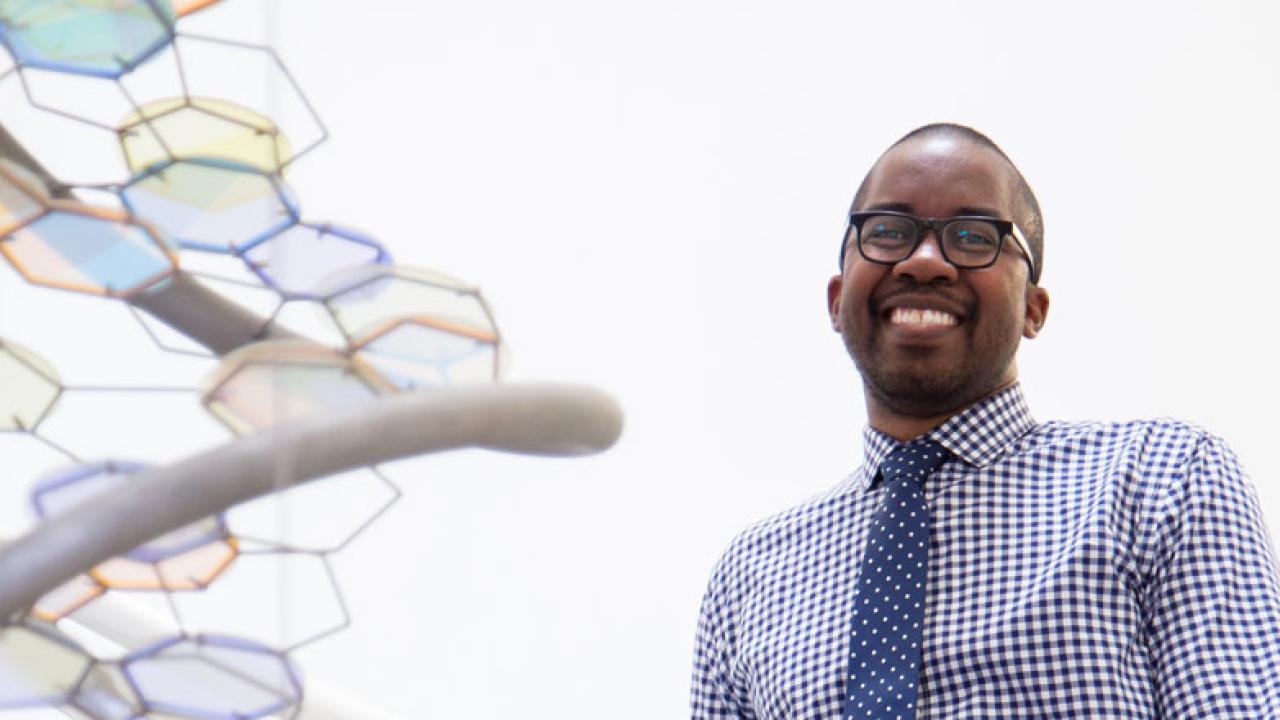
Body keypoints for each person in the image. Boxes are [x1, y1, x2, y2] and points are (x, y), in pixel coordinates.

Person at [690, 123, 1280, 719]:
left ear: (1033, 308)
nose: (924, 262)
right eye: (889, 232)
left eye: (973, 237)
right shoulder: (749, 578)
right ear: (836, 300)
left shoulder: (1161, 482)